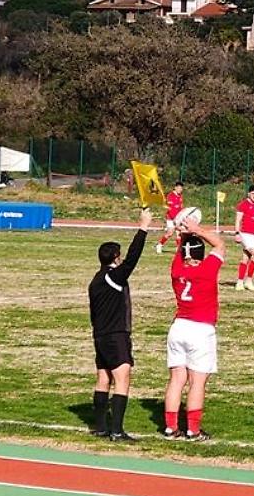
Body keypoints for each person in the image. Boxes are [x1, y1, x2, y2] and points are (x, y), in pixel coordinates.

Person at [88, 208, 153, 441]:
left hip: (100, 335)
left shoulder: (95, 280)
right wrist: (143, 227)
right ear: (116, 257)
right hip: (115, 335)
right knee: (122, 377)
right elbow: (133, 258)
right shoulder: (112, 276)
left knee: (104, 377)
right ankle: (116, 430)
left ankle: (100, 427)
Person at [163, 219, 225, 441]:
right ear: (201, 255)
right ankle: (193, 430)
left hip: (179, 327)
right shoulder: (207, 269)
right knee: (197, 382)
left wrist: (182, 236)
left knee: (176, 380)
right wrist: (197, 229)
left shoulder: (176, 269)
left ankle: (171, 428)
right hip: (201, 330)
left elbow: (181, 253)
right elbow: (220, 244)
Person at [156, 181, 184, 254]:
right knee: (170, 233)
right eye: (179, 188)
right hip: (171, 218)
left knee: (179, 233)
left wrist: (182, 216)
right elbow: (170, 209)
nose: (180, 190)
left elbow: (181, 207)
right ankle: (159, 244)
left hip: (178, 218)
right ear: (175, 188)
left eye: (181, 188)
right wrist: (174, 219)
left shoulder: (180, 196)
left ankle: (179, 249)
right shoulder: (170, 196)